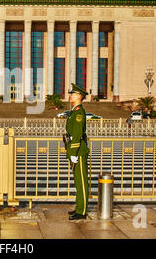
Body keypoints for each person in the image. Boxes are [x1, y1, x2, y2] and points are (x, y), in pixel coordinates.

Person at [64, 83, 90, 220]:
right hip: (75, 151)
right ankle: (79, 207)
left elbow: (78, 134)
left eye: (73, 94)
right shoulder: (75, 111)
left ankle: (82, 211)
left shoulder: (79, 112)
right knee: (78, 181)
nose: (70, 96)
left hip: (79, 151)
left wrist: (73, 153)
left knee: (82, 181)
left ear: (79, 97)